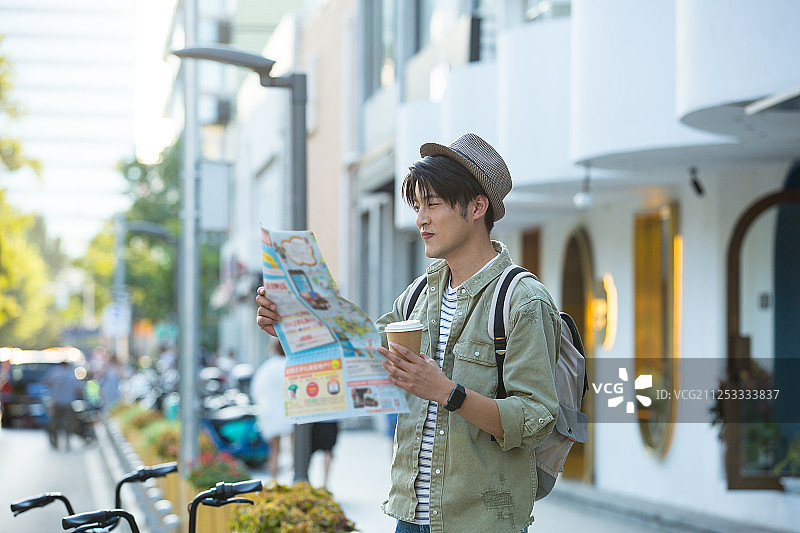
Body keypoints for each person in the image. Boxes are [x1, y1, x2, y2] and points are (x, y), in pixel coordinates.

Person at [256, 133, 560, 532]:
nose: (421, 218)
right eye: (417, 205)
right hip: (408, 516)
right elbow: (360, 358)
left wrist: (447, 392)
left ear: (477, 207)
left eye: (433, 204)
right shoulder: (418, 294)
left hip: (481, 521)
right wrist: (290, 324)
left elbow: (536, 418)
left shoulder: (522, 300)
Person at [251, 341, 295, 479]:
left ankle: (274, 480)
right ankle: (295, 479)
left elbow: (256, 390)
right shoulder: (291, 365)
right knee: (295, 449)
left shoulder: (267, 368)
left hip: (271, 414)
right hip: (291, 413)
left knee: (274, 450)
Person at [44, 360, 85, 451]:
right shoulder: (71, 375)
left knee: (55, 423)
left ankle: (54, 441)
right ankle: (67, 441)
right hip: (68, 402)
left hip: (56, 401)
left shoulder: (54, 373)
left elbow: (47, 383)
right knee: (69, 422)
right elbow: (79, 389)